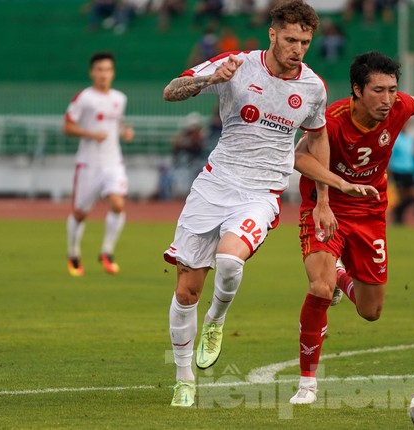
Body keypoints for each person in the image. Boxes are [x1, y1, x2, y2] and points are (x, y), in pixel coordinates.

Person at [161, 0, 379, 408]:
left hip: (262, 193)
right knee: (187, 290)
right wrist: (209, 80)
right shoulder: (237, 64)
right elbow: (171, 91)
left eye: (306, 42)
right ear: (273, 34)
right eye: (292, 39)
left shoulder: (313, 87)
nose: (298, 48)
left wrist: (324, 200)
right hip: (213, 186)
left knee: (229, 261)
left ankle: (217, 320)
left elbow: (317, 141)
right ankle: (184, 379)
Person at [290, 51, 414, 404]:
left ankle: (341, 276)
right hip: (325, 206)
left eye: (392, 90)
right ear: (357, 90)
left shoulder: (397, 108)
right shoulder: (332, 119)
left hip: (370, 212)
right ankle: (307, 383)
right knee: (318, 287)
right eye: (379, 90)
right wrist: (328, 197)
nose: (388, 99)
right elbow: (299, 157)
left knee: (370, 311)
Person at [64, 52, 135, 277]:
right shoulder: (84, 98)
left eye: (108, 70)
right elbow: (67, 127)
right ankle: (74, 253)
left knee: (118, 204)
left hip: (113, 163)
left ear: (113, 73)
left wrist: (125, 131)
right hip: (88, 164)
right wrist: (91, 134)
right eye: (99, 70)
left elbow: (119, 124)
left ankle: (107, 252)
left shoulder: (119, 98)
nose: (104, 74)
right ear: (92, 72)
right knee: (79, 213)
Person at [388, 122, 414, 224]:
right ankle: (398, 217)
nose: (406, 127)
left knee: (413, 194)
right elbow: (389, 155)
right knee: (401, 196)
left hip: (409, 170)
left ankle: (398, 212)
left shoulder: (410, 139)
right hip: (398, 170)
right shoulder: (396, 139)